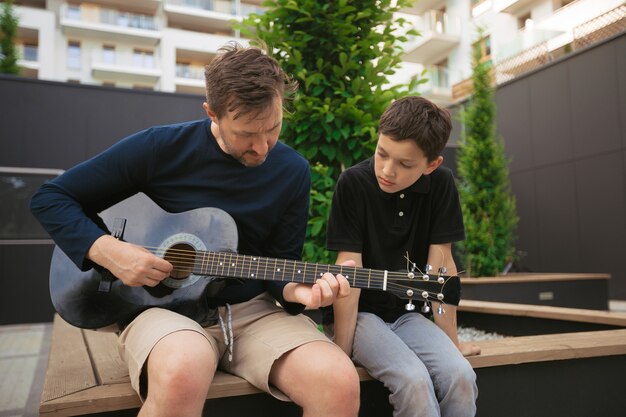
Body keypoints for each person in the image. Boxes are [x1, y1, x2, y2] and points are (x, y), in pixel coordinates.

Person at [30, 42, 360, 417]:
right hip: (163, 311)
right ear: (212, 114)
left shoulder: (293, 171)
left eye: (273, 128)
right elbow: (51, 198)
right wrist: (110, 251)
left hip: (252, 312)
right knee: (184, 369)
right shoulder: (159, 148)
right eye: (245, 134)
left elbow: (279, 264)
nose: (262, 147)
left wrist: (299, 291)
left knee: (338, 383)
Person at [323, 96, 480, 417]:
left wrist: (453, 343)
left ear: (431, 165)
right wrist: (341, 348)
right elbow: (349, 271)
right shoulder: (353, 183)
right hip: (363, 316)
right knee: (412, 380)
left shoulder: (442, 185)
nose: (387, 170)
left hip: (410, 315)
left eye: (405, 164)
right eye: (382, 154)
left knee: (461, 375)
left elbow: (441, 267)